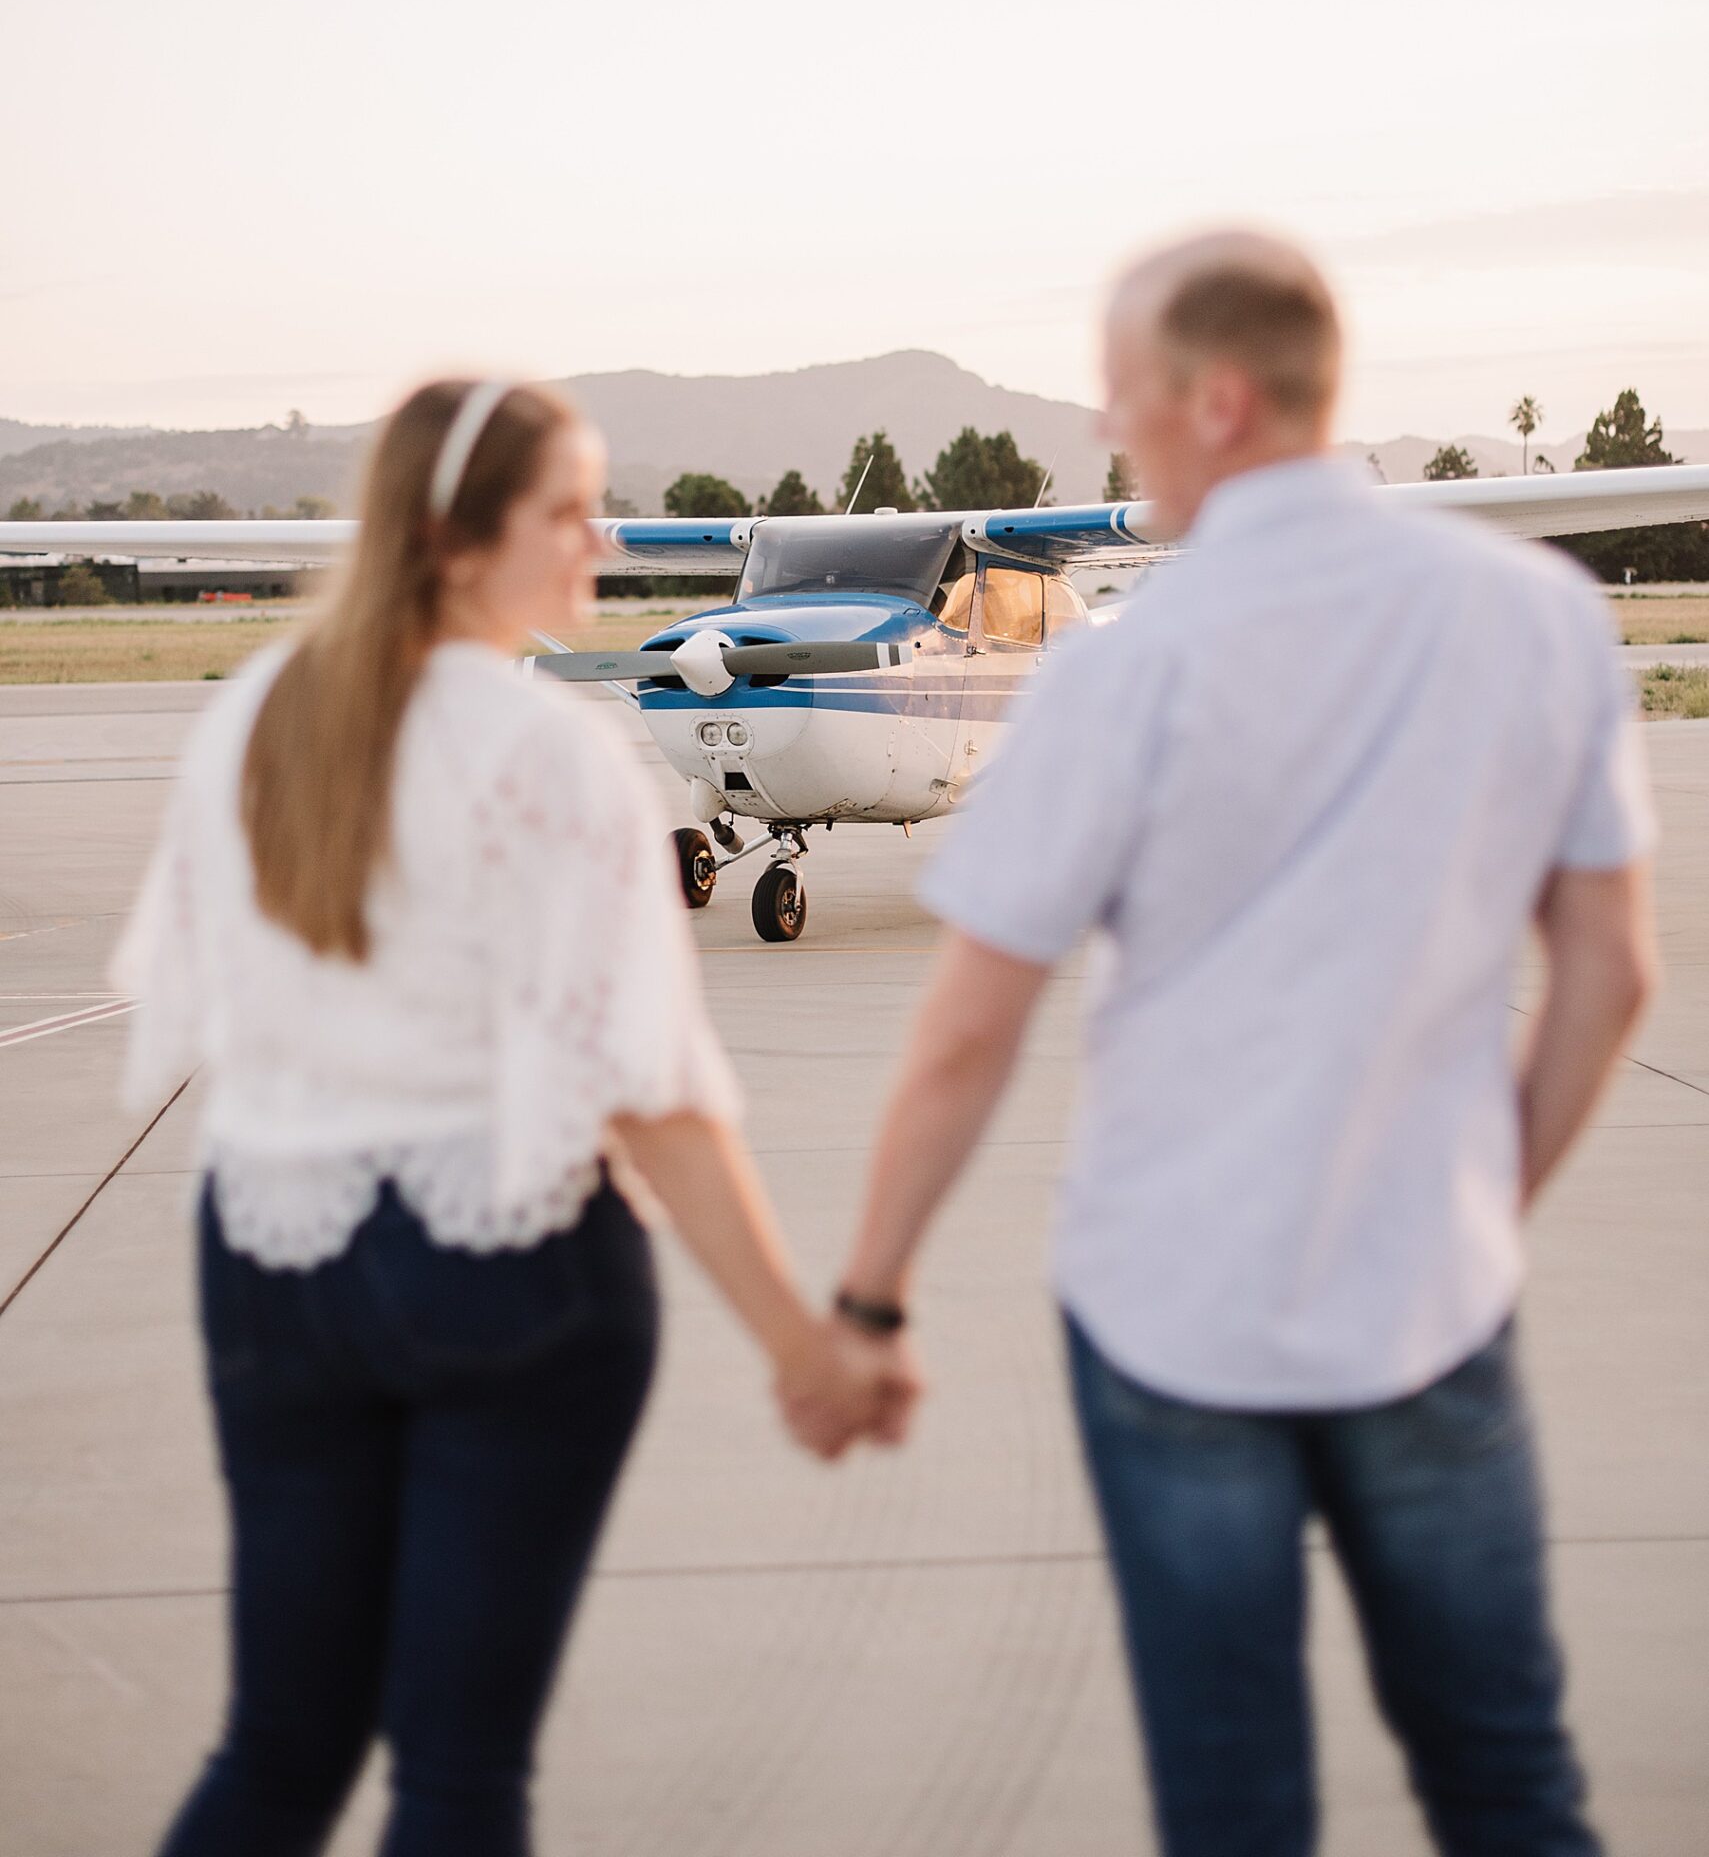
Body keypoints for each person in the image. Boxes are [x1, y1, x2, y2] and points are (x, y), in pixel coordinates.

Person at [832, 232, 1655, 1856]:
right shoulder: (1538, 619)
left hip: (1171, 1322)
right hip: (1430, 1301)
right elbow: (1608, 977)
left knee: (1231, 1807)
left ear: (1213, 399)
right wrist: (1479, 1199)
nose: (1102, 432)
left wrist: (866, 1299)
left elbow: (965, 1036)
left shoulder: (1118, 679)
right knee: (1508, 1780)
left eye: (1121, 393)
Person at [118, 376, 916, 1857]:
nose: (601, 537)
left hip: (269, 1265)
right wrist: (804, 1343)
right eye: (568, 507)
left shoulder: (250, 722)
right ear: (460, 538)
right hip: (505, 1276)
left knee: (278, 1749)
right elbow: (657, 1095)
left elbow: (198, 1014)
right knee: (460, 1775)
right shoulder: (554, 757)